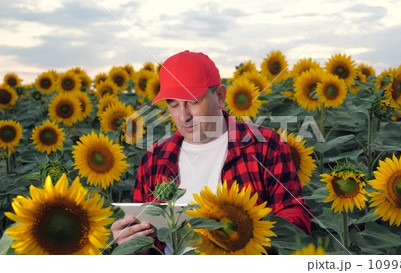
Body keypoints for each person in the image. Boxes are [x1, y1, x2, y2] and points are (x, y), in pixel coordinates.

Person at [111, 50, 311, 253]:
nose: (183, 116)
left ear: (220, 96)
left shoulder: (264, 146)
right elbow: (147, 244)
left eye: (193, 102)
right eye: (173, 104)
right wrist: (133, 243)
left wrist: (251, 232)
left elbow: (296, 214)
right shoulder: (154, 160)